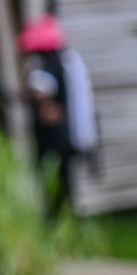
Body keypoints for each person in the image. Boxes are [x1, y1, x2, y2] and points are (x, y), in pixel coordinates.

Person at [20, 13, 97, 216]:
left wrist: (32, 99)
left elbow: (41, 90)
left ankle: (56, 217)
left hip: (53, 137)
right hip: (67, 135)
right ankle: (69, 216)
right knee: (66, 178)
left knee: (53, 178)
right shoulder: (68, 63)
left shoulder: (46, 66)